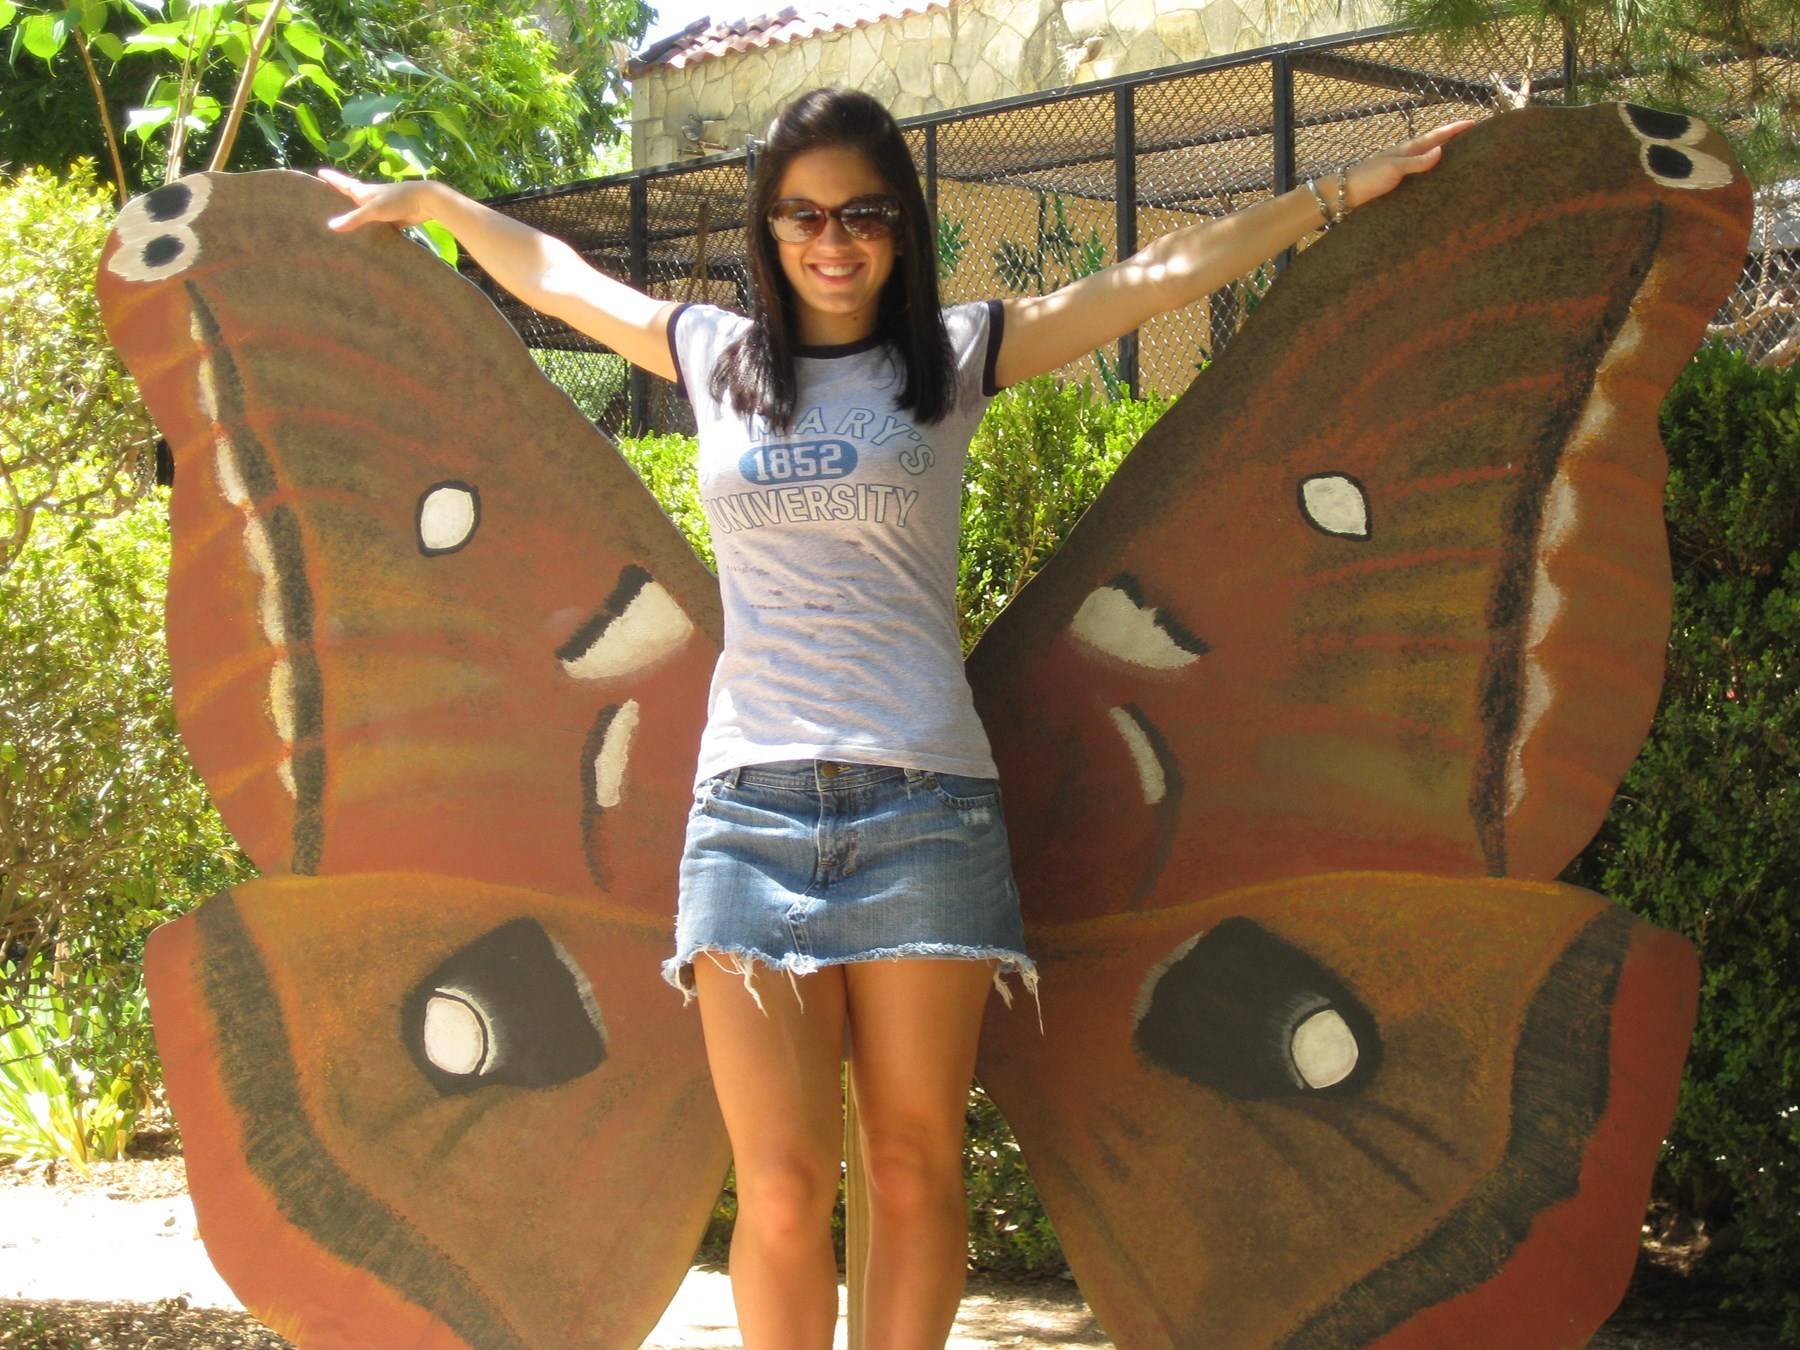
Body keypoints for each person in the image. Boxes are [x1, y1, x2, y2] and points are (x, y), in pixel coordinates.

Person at [319, 88, 1470, 1349]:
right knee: (779, 1185)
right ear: (768, 228)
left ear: (902, 227)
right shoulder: (714, 358)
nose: (834, 241)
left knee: (912, 1167)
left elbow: (1153, 279)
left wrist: (1333, 195)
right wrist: (437, 205)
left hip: (927, 809)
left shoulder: (954, 359)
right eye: (804, 215)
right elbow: (562, 279)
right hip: (748, 814)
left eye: (863, 214)